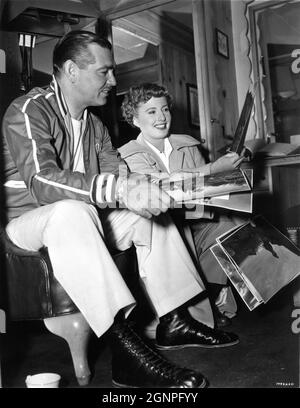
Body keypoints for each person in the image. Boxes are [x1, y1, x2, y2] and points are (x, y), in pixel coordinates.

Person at [1, 31, 239, 389]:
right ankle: (125, 350)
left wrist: (146, 190)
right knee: (71, 212)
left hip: (79, 217)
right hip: (25, 226)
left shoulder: (96, 125)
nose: (114, 81)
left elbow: (120, 178)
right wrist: (122, 188)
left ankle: (174, 320)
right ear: (71, 70)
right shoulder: (29, 109)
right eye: (104, 72)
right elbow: (42, 181)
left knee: (148, 215)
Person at [119, 83, 246, 327]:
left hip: (196, 220)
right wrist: (213, 169)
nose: (162, 117)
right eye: (152, 111)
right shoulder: (127, 156)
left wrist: (228, 179)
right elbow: (161, 186)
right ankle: (195, 312)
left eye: (165, 109)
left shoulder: (188, 144)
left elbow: (205, 194)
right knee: (177, 229)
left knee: (236, 224)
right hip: (162, 230)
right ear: (134, 119)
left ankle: (212, 291)